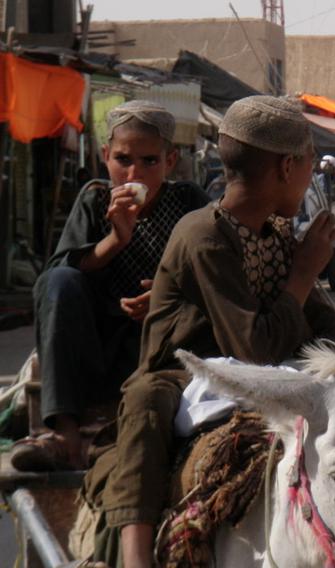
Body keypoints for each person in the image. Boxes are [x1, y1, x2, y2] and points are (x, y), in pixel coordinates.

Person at [88, 96, 335, 567]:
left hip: (262, 374)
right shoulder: (203, 234)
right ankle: (134, 554)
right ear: (287, 167)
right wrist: (306, 272)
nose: (312, 175)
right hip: (184, 374)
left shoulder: (275, 234)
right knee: (145, 406)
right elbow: (252, 349)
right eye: (310, 164)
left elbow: (330, 336)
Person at [13, 101, 209, 472]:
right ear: (106, 156)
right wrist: (115, 240)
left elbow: (215, 273)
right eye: (123, 159)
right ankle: (63, 433)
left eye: (149, 161)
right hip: (98, 343)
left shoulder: (188, 203)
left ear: (169, 162)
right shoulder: (94, 198)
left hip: (163, 340)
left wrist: (167, 298)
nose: (134, 172)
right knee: (57, 280)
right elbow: (59, 273)